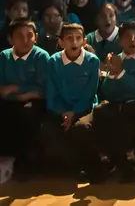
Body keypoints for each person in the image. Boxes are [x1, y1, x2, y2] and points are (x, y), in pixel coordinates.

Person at [94, 21, 135, 182]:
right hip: (121, 103)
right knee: (101, 111)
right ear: (120, 41)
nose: (132, 40)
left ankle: (131, 160)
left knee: (123, 113)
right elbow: (108, 90)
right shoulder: (116, 58)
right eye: (127, 37)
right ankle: (107, 158)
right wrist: (113, 74)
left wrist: (121, 73)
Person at [44, 23, 101, 180]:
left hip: (85, 108)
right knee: (48, 129)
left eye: (78, 38)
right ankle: (65, 165)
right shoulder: (53, 61)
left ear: (84, 41)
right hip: (60, 109)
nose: (74, 42)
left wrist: (74, 113)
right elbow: (51, 92)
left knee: (81, 128)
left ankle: (86, 164)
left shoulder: (92, 61)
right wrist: (63, 112)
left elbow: (90, 93)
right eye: (69, 38)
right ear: (61, 42)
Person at [0, 21, 49, 177]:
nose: (25, 40)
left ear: (36, 37)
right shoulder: (4, 56)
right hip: (9, 101)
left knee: (27, 114)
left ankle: (28, 162)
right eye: (20, 36)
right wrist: (20, 92)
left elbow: (42, 88)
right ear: (10, 39)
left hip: (34, 101)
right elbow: (2, 88)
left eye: (29, 36)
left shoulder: (41, 56)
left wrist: (18, 91)